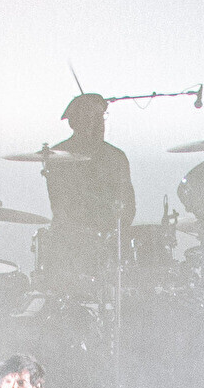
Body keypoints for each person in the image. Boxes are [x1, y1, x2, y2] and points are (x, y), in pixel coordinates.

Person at [39, 93, 135, 280]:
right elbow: (60, 207)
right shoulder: (58, 157)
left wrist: (113, 234)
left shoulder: (116, 157)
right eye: (91, 117)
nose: (99, 124)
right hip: (68, 247)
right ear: (75, 123)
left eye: (101, 117)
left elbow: (128, 206)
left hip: (108, 247)